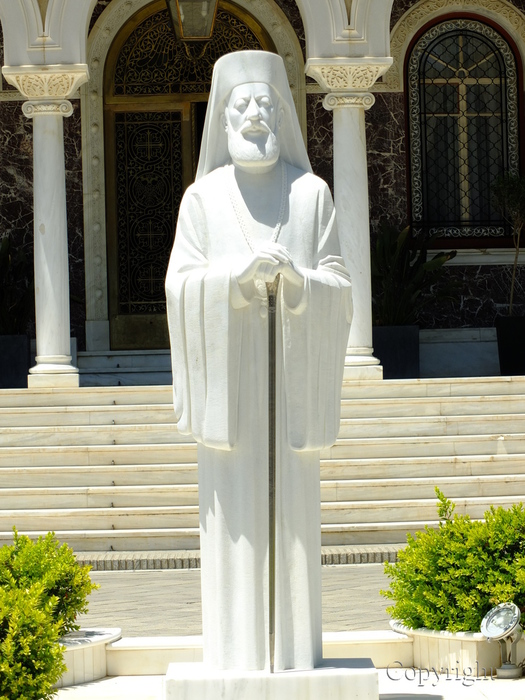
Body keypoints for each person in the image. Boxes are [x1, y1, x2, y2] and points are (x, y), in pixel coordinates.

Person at [165, 50, 352, 672]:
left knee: (294, 521)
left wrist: (298, 282)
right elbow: (180, 284)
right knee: (234, 519)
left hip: (293, 387)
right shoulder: (202, 199)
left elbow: (339, 282)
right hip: (233, 391)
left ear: (283, 115)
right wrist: (234, 283)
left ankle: (296, 658)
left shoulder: (312, 195)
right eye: (241, 106)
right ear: (222, 120)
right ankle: (235, 657)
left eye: (266, 105)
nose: (253, 117)